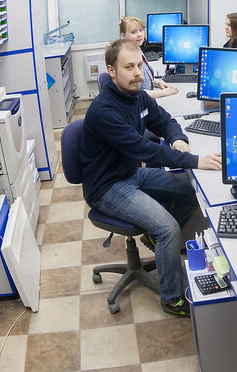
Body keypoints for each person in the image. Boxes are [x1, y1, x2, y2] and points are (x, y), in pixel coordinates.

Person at [80, 38, 222, 317]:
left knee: (191, 190)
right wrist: (195, 160)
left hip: (130, 172)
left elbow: (164, 120)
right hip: (107, 187)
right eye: (128, 67)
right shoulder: (104, 111)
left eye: (138, 66)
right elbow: (144, 149)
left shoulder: (138, 96)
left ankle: (156, 242)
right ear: (111, 71)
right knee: (168, 228)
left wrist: (178, 139)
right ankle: (172, 299)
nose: (136, 73)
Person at [119, 16, 178, 99]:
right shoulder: (125, 58)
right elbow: (136, 93)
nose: (139, 35)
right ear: (123, 36)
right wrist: (164, 92)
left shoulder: (137, 50)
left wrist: (158, 82)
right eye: (133, 32)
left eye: (141, 30)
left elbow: (141, 80)